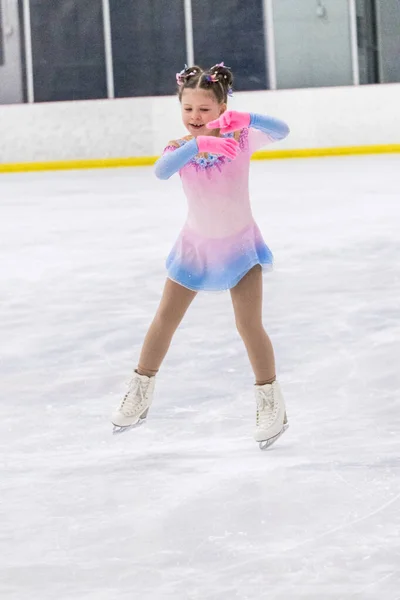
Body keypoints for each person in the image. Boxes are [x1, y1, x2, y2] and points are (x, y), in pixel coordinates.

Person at [111, 62, 290, 449]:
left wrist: (248, 117)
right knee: (165, 319)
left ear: (223, 109)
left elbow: (281, 131)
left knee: (249, 325)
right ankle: (141, 388)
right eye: (188, 109)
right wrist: (199, 144)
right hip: (194, 248)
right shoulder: (180, 148)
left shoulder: (242, 138)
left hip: (241, 248)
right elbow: (161, 171)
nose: (195, 116)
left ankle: (270, 402)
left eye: (204, 110)